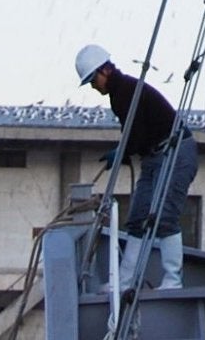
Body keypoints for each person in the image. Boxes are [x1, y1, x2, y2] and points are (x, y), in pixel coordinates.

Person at [76, 43, 196, 289]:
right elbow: (136, 134)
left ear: (104, 71)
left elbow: (136, 134)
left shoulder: (127, 91)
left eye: (92, 80)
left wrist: (121, 152)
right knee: (138, 217)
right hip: (155, 156)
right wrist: (123, 151)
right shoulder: (121, 93)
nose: (93, 86)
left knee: (165, 216)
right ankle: (125, 281)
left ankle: (173, 280)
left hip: (175, 152)